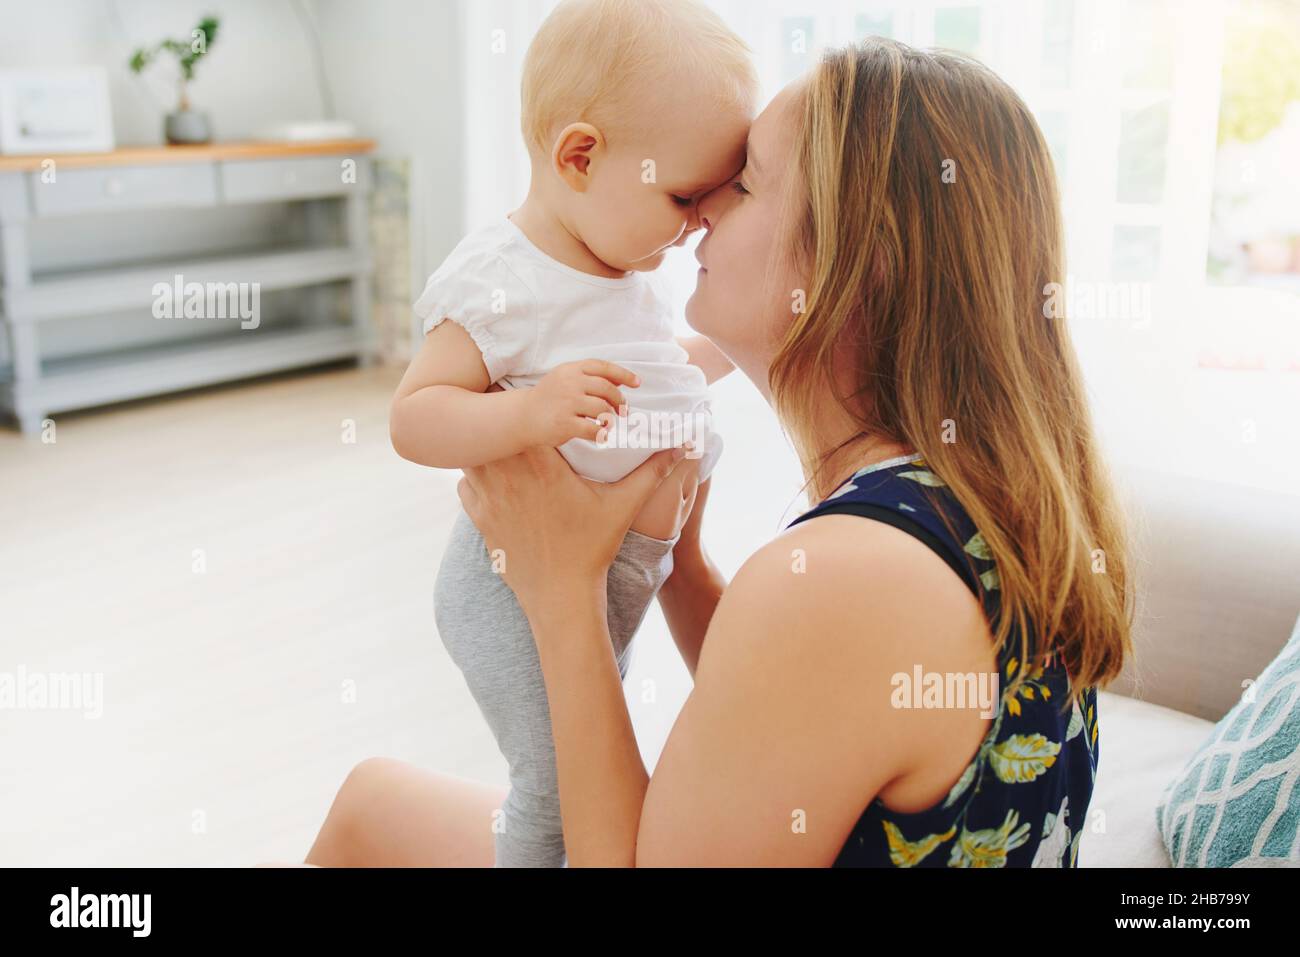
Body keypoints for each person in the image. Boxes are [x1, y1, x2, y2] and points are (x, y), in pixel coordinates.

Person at [307, 35, 1133, 868]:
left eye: (745, 181)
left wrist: (563, 593)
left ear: (858, 262)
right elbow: (806, 722)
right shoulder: (979, 498)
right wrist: (685, 565)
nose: (698, 209)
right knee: (372, 803)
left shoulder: (854, 577)